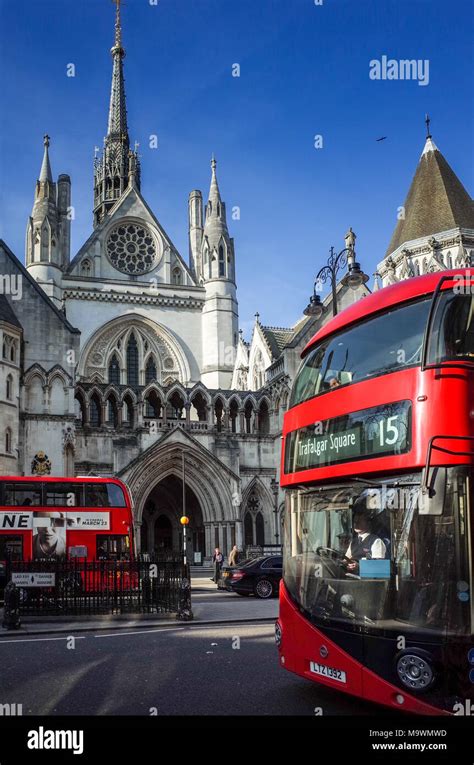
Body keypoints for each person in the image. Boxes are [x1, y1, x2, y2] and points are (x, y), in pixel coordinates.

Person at [344, 501, 387, 574]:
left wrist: (360, 566)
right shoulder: (353, 542)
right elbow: (346, 559)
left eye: (360, 520)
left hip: (368, 581)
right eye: (355, 521)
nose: (356, 523)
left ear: (368, 523)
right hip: (352, 578)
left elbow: (379, 567)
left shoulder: (376, 541)